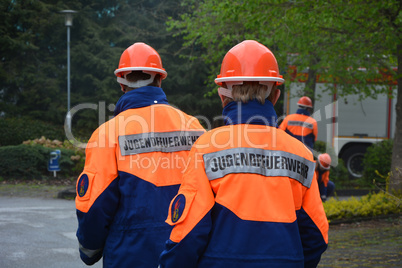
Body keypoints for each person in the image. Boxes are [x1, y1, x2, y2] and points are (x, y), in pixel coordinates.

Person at [159, 40, 328, 268]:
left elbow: (190, 232)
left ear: (223, 96)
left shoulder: (206, 147)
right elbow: (316, 235)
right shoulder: (302, 154)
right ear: (275, 95)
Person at [75, 42, 205, 267]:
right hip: (185, 254)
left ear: (122, 84)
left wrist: (90, 249)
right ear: (160, 79)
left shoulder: (107, 134)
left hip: (129, 255)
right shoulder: (194, 126)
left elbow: (96, 205)